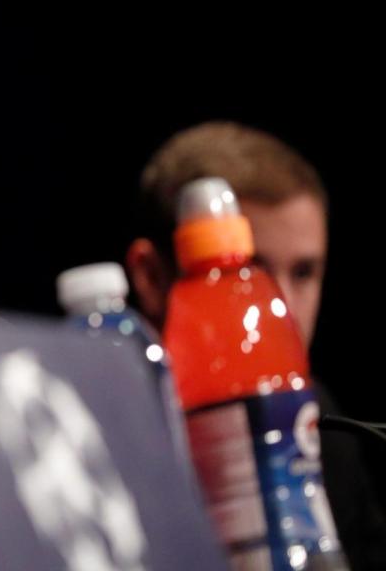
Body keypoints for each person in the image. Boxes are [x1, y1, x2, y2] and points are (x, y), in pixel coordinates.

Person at [125, 120, 386, 570]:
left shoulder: (325, 431)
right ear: (151, 276)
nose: (278, 307)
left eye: (303, 273)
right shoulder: (95, 434)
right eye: (244, 274)